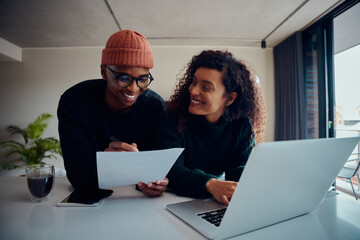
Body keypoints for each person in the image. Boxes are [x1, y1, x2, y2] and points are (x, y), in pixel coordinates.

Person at [58, 30, 168, 197]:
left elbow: (153, 172)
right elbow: (78, 176)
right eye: (124, 78)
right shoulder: (74, 102)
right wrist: (105, 165)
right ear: (104, 72)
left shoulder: (155, 106)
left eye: (143, 79)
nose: (133, 88)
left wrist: (157, 183)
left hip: (136, 201)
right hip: (93, 201)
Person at [156, 50, 266, 205]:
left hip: (211, 203)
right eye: (193, 82)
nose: (193, 91)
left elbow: (240, 170)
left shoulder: (242, 127)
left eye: (206, 87)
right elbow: (170, 170)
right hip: (170, 202)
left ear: (229, 98)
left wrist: (251, 183)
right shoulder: (172, 118)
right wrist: (210, 184)